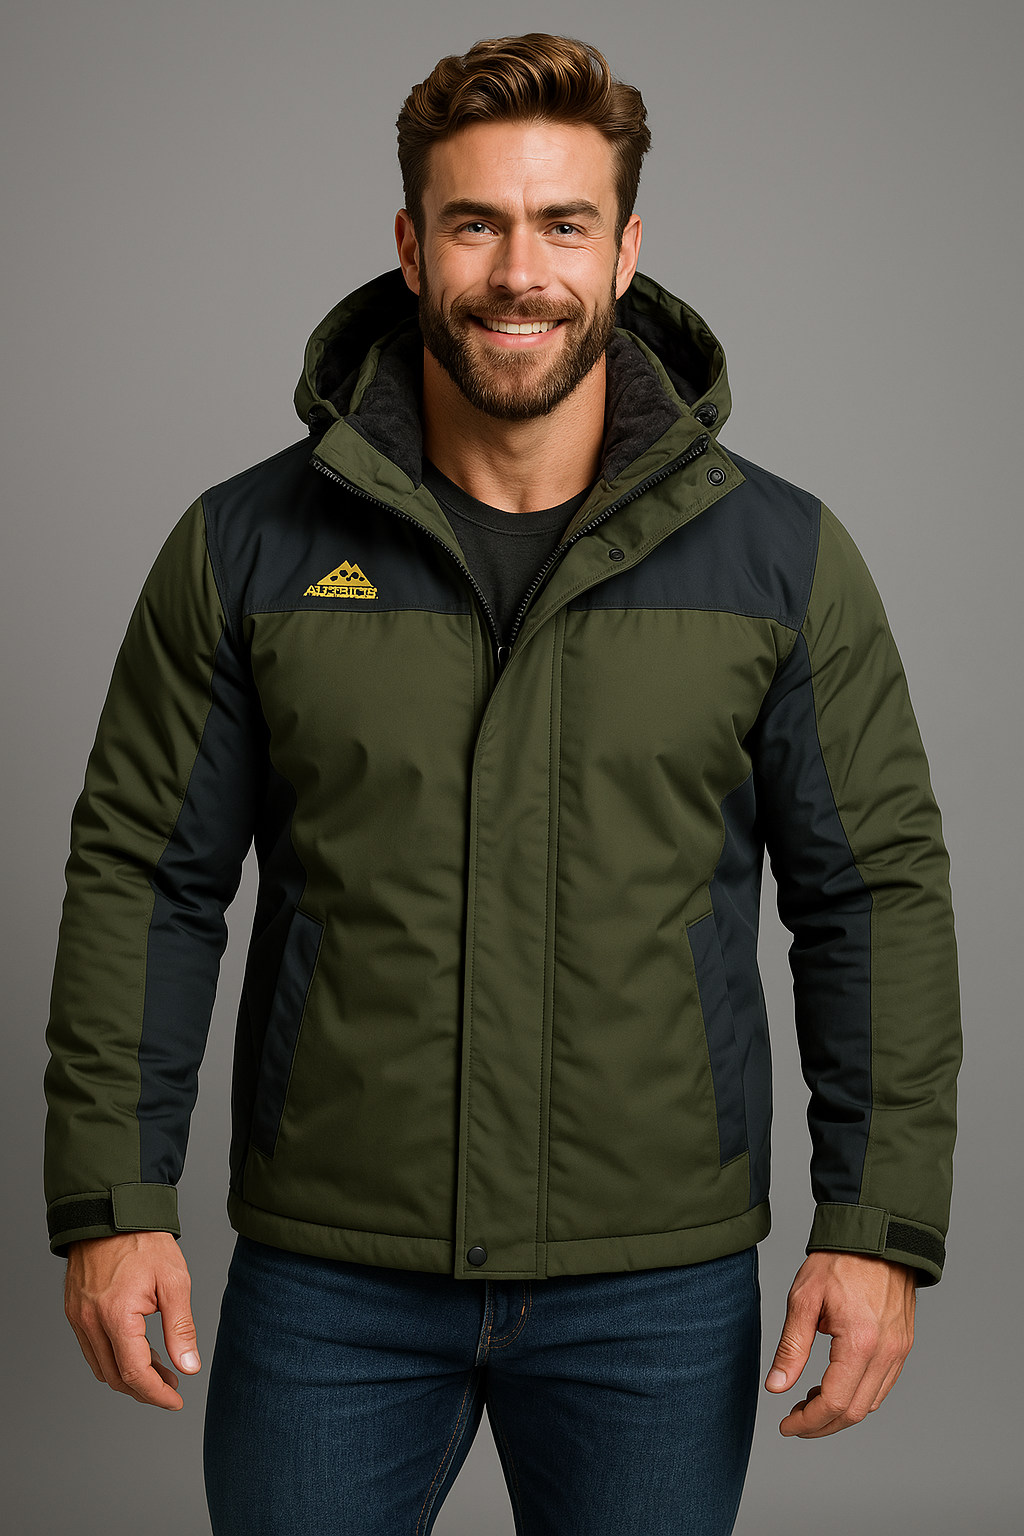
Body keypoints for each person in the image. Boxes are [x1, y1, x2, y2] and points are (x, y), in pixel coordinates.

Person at [45, 33, 961, 1536]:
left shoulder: (782, 560)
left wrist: (878, 1226)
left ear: (626, 250)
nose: (519, 271)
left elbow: (876, 898)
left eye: (563, 224)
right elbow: (147, 878)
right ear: (412, 246)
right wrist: (114, 1200)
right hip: (331, 1280)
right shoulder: (244, 550)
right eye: (475, 223)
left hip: (654, 1289)